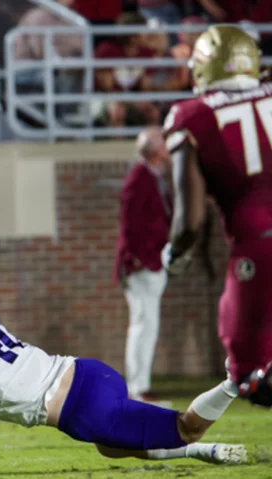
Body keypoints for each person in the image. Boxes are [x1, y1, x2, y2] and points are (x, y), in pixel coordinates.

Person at [0, 296, 248, 468]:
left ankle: (234, 380)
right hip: (89, 371)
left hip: (81, 410)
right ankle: (205, 452)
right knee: (111, 449)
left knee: (185, 427)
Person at [162, 25, 272, 407]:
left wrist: (176, 253)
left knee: (251, 379)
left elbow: (189, 222)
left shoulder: (191, 115)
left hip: (260, 246)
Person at [114, 128, 171, 404]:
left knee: (148, 325)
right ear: (153, 149)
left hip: (151, 261)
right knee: (142, 325)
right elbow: (130, 224)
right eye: (164, 142)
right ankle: (137, 390)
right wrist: (135, 259)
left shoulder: (152, 176)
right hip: (141, 265)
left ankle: (141, 386)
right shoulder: (139, 178)